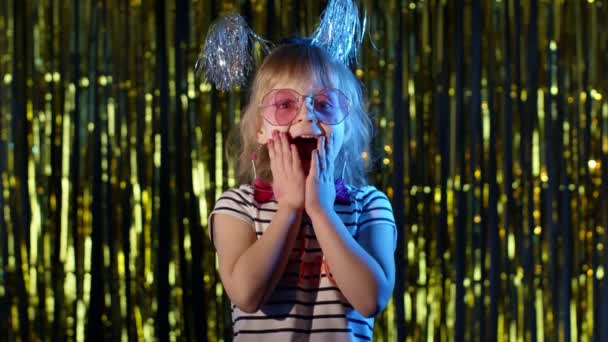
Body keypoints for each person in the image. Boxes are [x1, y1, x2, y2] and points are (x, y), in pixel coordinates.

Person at [208, 37, 397, 342]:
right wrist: (290, 209)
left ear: (345, 128)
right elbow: (246, 294)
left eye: (324, 104)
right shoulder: (237, 206)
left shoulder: (370, 204)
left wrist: (321, 211)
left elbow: (371, 299)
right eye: (284, 104)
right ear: (260, 129)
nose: (307, 115)